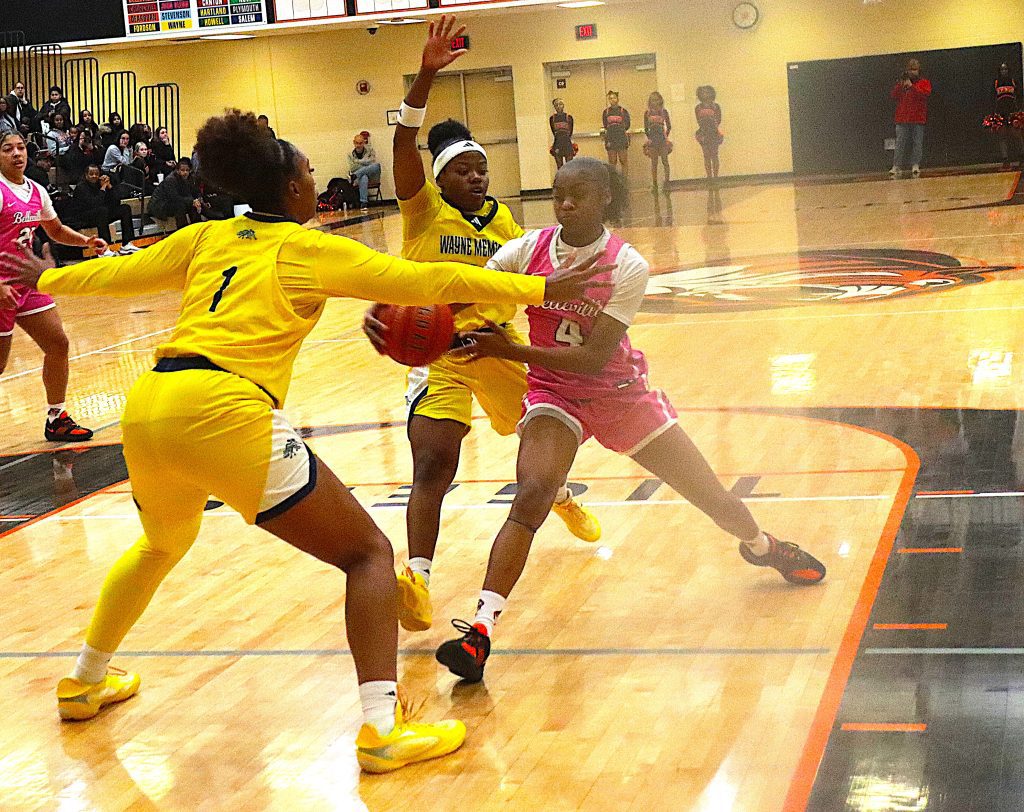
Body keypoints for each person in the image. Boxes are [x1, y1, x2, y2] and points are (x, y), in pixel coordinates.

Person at [0, 108, 607, 771]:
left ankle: (85, 682)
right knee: (369, 555)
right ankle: (382, 730)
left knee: (159, 544)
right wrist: (540, 284)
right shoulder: (310, 248)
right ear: (292, 189)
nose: (317, 177)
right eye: (310, 170)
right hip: (224, 408)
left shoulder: (206, 236)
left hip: (151, 408)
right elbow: (429, 281)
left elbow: (120, 276)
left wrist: (49, 278)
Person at [435, 157, 827, 682]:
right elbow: (467, 292)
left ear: (605, 201)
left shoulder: (626, 265)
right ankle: (480, 632)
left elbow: (594, 359)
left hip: (618, 393)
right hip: (555, 395)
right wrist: (418, 311)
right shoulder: (527, 250)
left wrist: (509, 351)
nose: (566, 202)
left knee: (712, 496)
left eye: (579, 194)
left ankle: (763, 546)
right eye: (559, 193)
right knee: (531, 493)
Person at [364, 16, 601, 636]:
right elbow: (400, 146)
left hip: (497, 352)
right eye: (462, 168)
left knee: (539, 452)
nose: (476, 174)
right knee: (434, 462)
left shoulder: (509, 230)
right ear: (438, 176)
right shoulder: (423, 211)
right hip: (435, 355)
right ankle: (416, 579)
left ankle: (564, 494)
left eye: (481, 168)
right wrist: (424, 77)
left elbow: (530, 290)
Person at [0, 132, 99, 441]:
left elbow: (54, 230)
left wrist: (86, 241)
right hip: (1, 286)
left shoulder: (36, 190)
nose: (17, 153)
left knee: (58, 344)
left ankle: (56, 418)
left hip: (27, 281)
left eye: (20, 147)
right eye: (7, 149)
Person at [69, 165, 141, 254]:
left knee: (125, 208)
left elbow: (116, 201)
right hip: (83, 217)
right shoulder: (81, 187)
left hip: (102, 214)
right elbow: (95, 204)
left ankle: (126, 244)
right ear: (86, 175)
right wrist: (103, 188)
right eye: (91, 174)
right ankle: (105, 248)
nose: (94, 176)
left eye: (96, 174)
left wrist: (109, 186)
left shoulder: (100, 183)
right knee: (102, 210)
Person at [890, 58, 931, 179]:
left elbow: (924, 94)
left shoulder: (924, 82)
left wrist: (912, 87)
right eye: (910, 69)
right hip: (902, 118)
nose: (912, 72)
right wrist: (901, 85)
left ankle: (915, 165)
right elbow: (893, 95)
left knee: (917, 143)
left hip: (918, 118)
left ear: (919, 70)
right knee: (900, 143)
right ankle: (896, 166)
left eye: (915, 70)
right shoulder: (902, 84)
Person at [148, 158, 205, 229]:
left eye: (187, 170)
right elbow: (174, 198)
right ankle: (183, 230)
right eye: (182, 170)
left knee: (192, 206)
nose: (185, 173)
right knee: (180, 206)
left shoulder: (190, 178)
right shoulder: (170, 180)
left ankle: (197, 229)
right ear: (177, 170)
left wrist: (198, 199)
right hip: (160, 205)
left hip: (173, 202)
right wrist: (192, 201)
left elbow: (195, 192)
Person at [993, 62, 1022, 168]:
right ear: (999, 71)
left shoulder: (1013, 81)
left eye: (1005, 69)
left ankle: (1021, 158)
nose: (1004, 71)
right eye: (1002, 69)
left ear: (1008, 70)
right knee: (1002, 136)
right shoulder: (996, 83)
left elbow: (1019, 95)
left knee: (1017, 135)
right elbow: (992, 98)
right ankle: (1005, 160)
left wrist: (1019, 111)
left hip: (1013, 112)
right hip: (1001, 113)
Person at [643, 91, 672, 192]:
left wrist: (665, 137)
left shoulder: (664, 112)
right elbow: (646, 128)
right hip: (653, 140)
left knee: (665, 161)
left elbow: (669, 126)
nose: (654, 102)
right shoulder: (647, 113)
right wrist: (649, 138)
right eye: (652, 100)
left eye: (656, 99)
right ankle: (655, 184)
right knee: (654, 162)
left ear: (660, 100)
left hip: (662, 139)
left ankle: (667, 182)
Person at [695, 85, 723, 181]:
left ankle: (716, 177)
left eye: (707, 92)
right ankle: (709, 177)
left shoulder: (716, 106)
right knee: (706, 155)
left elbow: (719, 120)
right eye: (703, 92)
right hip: (703, 132)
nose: (705, 94)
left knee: (714, 155)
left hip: (714, 132)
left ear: (712, 93)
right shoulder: (697, 108)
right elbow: (699, 121)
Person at [347, 131, 381, 211]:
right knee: (364, 177)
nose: (358, 145)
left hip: (372, 176)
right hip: (359, 179)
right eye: (357, 143)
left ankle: (355, 175)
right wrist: (365, 163)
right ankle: (364, 203)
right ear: (354, 143)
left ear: (364, 142)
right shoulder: (350, 154)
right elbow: (352, 167)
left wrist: (358, 162)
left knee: (377, 166)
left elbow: (372, 163)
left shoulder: (370, 151)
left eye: (361, 143)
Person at [602, 90, 631, 178]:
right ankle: (614, 182)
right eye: (610, 98)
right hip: (611, 138)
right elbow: (605, 125)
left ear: (617, 99)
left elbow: (627, 124)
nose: (612, 100)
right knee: (612, 162)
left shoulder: (623, 111)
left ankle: (624, 181)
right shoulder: (606, 112)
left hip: (621, 138)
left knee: (623, 161)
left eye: (614, 98)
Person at [549, 98, 575, 169]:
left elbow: (570, 131)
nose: (558, 106)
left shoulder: (569, 117)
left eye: (560, 104)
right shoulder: (552, 118)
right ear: (554, 107)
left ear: (563, 105)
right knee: (559, 167)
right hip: (557, 143)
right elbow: (553, 131)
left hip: (567, 143)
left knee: (570, 167)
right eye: (556, 105)